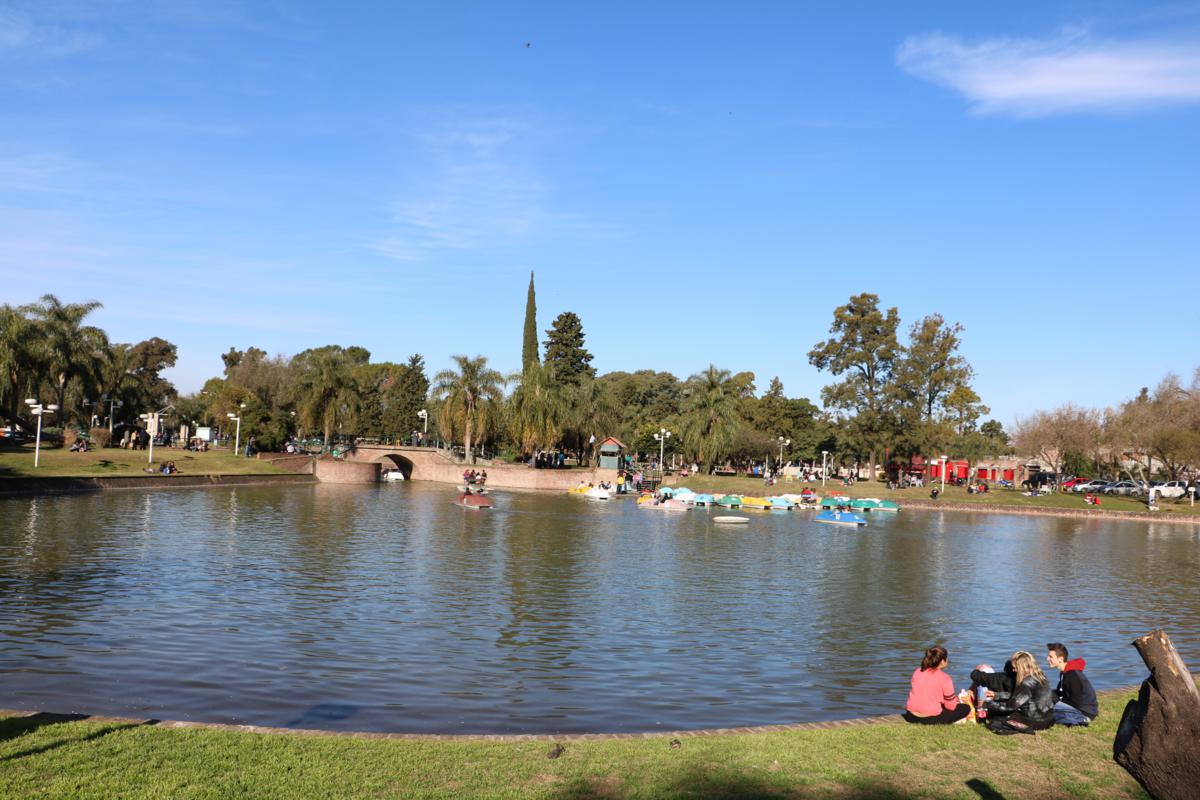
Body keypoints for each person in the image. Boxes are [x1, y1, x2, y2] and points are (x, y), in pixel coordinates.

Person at [982, 651, 1056, 731]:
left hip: (1036, 722)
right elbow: (1020, 696)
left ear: (1022, 667)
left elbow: (1011, 706)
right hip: (1049, 719)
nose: (1013, 670)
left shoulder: (1025, 683)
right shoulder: (1040, 676)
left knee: (996, 714)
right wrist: (997, 695)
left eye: (1015, 667)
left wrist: (987, 704)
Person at [903, 645, 972, 724]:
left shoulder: (918, 671)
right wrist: (956, 699)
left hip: (910, 716)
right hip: (929, 719)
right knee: (965, 708)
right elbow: (951, 707)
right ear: (943, 661)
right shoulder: (945, 678)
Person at [1046, 643, 1098, 726]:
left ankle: (1078, 720)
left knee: (1047, 709)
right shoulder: (1065, 672)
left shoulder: (1073, 675)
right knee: (1046, 697)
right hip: (1077, 709)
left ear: (1060, 659)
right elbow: (1061, 693)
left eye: (1050, 657)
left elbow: (1076, 703)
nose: (1047, 658)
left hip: (1084, 713)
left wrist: (1056, 703)